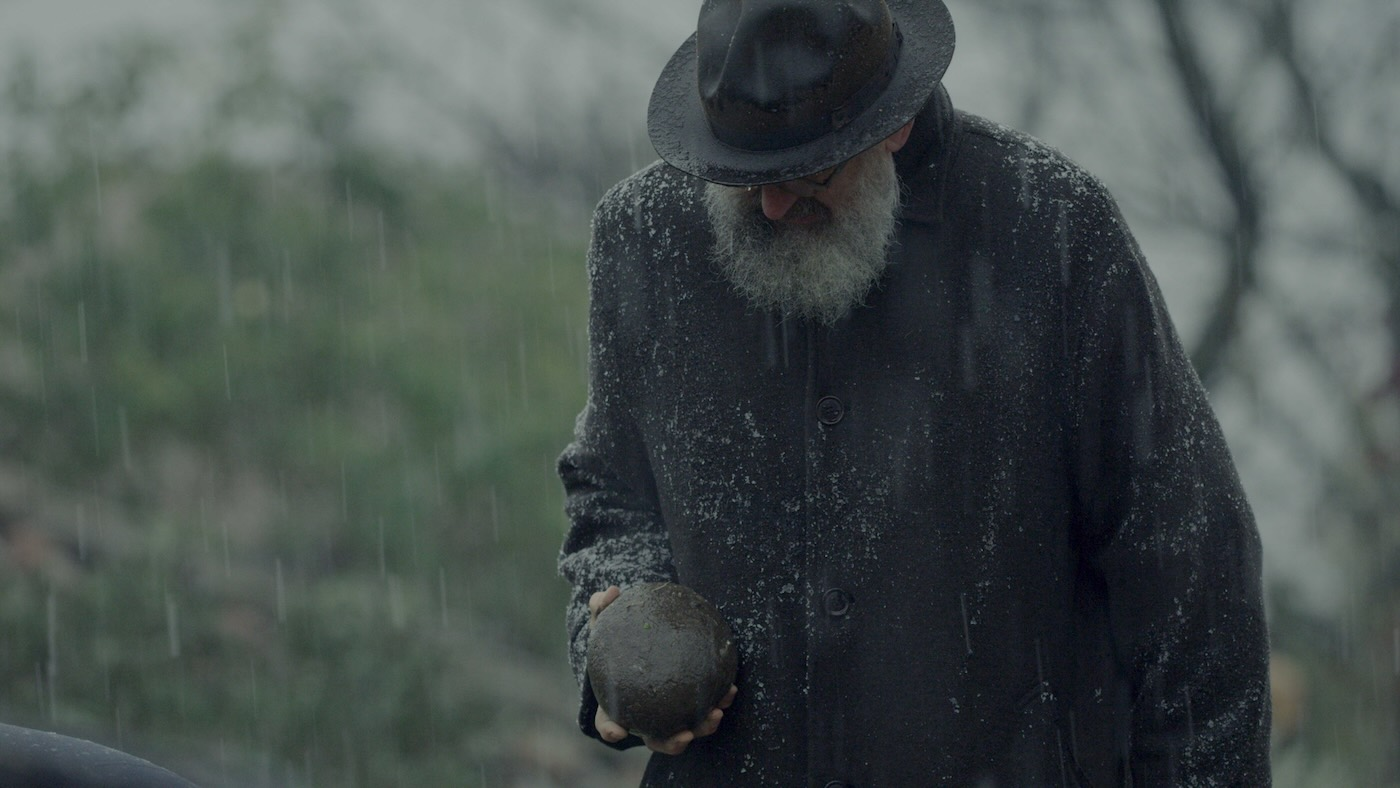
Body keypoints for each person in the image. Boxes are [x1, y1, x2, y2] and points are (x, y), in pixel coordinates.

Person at [557, 0, 1272, 784]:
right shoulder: (639, 238)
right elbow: (611, 497)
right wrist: (614, 625)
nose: (766, 203)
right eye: (739, 173)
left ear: (890, 125)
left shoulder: (1054, 233)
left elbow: (1194, 579)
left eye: (804, 173)